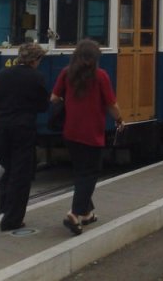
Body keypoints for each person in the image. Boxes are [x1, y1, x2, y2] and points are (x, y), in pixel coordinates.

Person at [51, 39, 124, 236]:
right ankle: (74, 214)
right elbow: (111, 105)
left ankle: (87, 213)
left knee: (81, 171)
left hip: (71, 132)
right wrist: (120, 119)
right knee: (89, 174)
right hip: (92, 132)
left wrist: (70, 102)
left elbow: (54, 98)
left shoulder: (66, 73)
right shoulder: (100, 76)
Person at [0, 42, 49, 232]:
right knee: (21, 175)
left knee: (9, 169)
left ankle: (4, 207)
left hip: (1, 128)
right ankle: (12, 220)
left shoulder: (3, 74)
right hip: (22, 129)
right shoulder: (37, 77)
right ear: (35, 60)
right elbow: (43, 106)